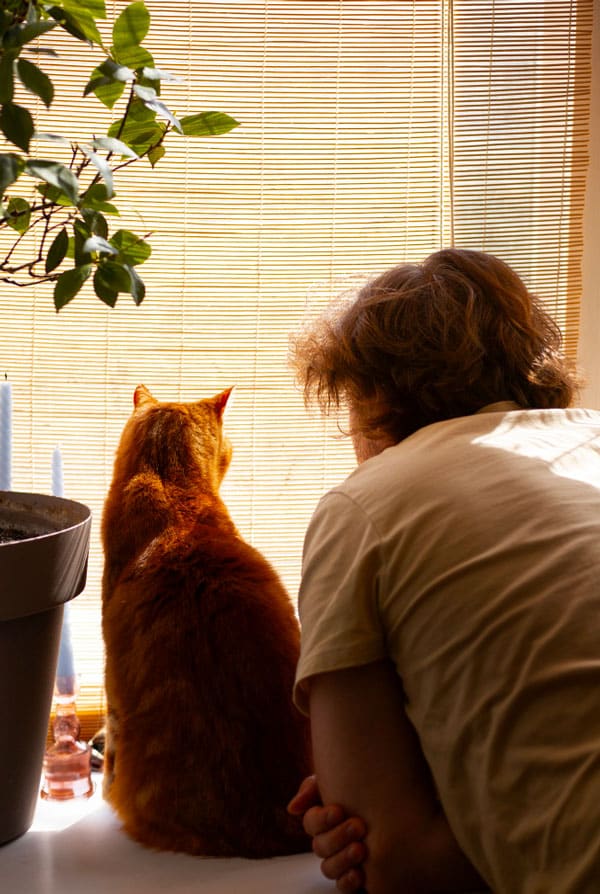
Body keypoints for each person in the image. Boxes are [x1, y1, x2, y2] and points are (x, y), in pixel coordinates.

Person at [285, 248, 600, 894]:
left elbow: (395, 863)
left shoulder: (365, 504)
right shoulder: (585, 442)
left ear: (371, 400)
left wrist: (376, 808)